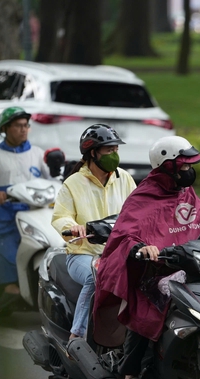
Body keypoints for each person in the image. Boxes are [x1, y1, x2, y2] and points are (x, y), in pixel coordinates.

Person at [92, 135, 200, 379]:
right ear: (167, 165)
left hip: (192, 268)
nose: (189, 171)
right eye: (184, 165)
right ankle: (130, 372)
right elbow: (125, 233)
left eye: (191, 166)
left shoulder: (187, 193)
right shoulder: (143, 197)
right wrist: (141, 247)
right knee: (147, 309)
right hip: (154, 272)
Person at [51, 124, 136, 342]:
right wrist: (73, 227)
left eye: (116, 150)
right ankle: (77, 336)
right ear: (92, 153)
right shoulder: (73, 183)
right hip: (83, 254)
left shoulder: (124, 178)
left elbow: (138, 211)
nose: (114, 155)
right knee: (96, 276)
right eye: (109, 151)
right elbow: (60, 216)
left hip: (119, 254)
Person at [0, 106, 52, 314]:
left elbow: (51, 179)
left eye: (26, 125)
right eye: (18, 126)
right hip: (1, 212)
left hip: (32, 210)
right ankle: (8, 286)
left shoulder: (37, 153)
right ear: (5, 128)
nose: (23, 129)